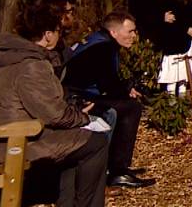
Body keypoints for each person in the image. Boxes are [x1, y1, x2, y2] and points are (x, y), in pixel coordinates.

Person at [0, 2, 110, 207]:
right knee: (96, 142)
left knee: (77, 141)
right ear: (48, 34)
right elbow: (54, 114)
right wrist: (83, 117)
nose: (60, 36)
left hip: (4, 138)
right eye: (58, 31)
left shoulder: (9, 59)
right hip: (19, 142)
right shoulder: (32, 65)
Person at [62, 10, 154, 188]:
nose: (134, 36)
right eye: (130, 31)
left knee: (125, 105)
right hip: (78, 99)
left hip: (81, 93)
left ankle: (116, 166)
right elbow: (108, 85)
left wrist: (126, 88)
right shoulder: (103, 47)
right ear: (114, 32)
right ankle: (118, 170)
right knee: (131, 108)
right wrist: (127, 90)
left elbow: (105, 80)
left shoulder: (98, 41)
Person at [36, 0, 77, 75]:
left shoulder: (61, 42)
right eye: (70, 11)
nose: (73, 15)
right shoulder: (43, 44)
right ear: (60, 15)